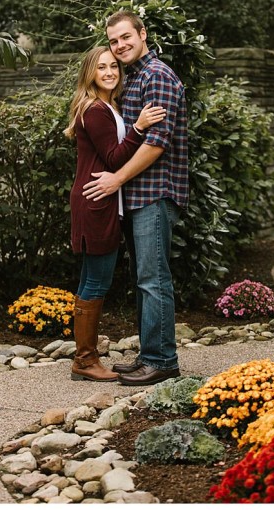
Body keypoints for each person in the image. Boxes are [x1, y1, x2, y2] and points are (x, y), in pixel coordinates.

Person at [83, 11, 189, 386]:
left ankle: (162, 360)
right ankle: (149, 355)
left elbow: (156, 144)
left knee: (153, 279)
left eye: (126, 37)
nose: (120, 45)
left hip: (154, 193)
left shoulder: (157, 75)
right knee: (144, 279)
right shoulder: (134, 80)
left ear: (142, 34)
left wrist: (116, 180)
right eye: (114, 41)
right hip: (137, 196)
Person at [65, 47, 165, 382]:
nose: (109, 72)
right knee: (96, 280)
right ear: (89, 72)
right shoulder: (95, 110)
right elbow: (113, 157)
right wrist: (138, 127)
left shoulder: (107, 105)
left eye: (113, 66)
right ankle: (85, 360)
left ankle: (85, 358)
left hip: (100, 201)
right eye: (101, 67)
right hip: (96, 202)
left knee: (90, 279)